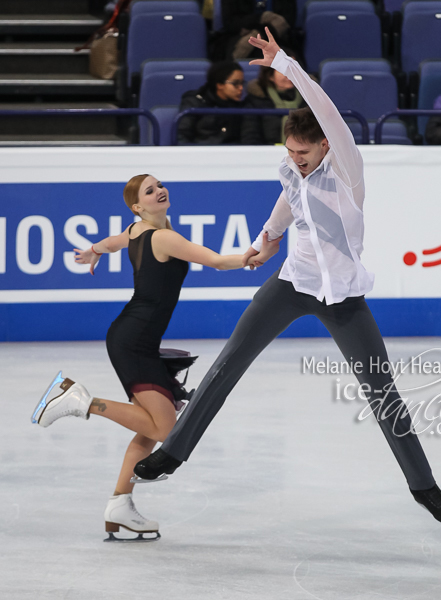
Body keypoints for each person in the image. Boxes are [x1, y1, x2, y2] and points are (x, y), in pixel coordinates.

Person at [134, 29, 441, 529]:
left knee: (381, 389)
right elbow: (289, 202)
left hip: (343, 296)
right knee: (227, 365)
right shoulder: (293, 167)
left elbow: (324, 107)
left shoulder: (347, 166)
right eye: (289, 152)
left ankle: (424, 485)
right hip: (291, 284)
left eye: (303, 153)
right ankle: (173, 454)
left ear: (326, 146)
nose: (295, 159)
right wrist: (266, 239)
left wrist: (283, 64)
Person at [32, 173, 280, 542]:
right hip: (134, 340)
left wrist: (95, 250)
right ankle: (79, 400)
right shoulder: (164, 237)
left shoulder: (136, 230)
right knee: (165, 429)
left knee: (148, 425)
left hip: (135, 337)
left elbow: (116, 241)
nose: (159, 190)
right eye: (150, 191)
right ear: (138, 206)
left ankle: (120, 505)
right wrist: (253, 257)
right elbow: (215, 261)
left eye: (159, 185)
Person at [241, 49, 305, 145]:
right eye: (283, 70)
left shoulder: (309, 99)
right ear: (270, 75)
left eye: (293, 69)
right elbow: (250, 137)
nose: (290, 75)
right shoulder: (255, 101)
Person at [177, 61, 245, 145]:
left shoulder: (242, 106)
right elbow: (182, 135)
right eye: (235, 84)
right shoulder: (195, 102)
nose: (241, 88)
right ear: (219, 84)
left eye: (242, 83)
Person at [222, 0, 297, 60]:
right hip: (240, 36)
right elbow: (231, 23)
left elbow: (286, 22)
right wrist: (261, 18)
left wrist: (257, 33)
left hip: (277, 37)